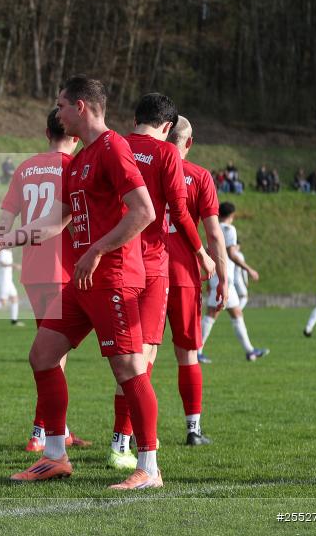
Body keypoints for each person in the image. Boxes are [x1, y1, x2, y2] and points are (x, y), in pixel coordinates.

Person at [0, 76, 161, 489]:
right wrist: (1, 241)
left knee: (129, 368)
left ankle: (149, 468)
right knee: (43, 354)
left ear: (82, 108)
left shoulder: (113, 148)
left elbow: (143, 212)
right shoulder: (80, 161)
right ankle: (55, 456)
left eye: (61, 106)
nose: (57, 114)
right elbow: (54, 223)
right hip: (83, 281)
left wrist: (96, 251)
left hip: (114, 278)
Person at [109, 94, 215, 470]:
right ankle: (143, 445)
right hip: (160, 266)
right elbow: (184, 214)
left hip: (116, 262)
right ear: (176, 135)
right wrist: (203, 253)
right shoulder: (188, 168)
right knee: (153, 356)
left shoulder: (113, 145)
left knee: (124, 356)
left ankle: (117, 439)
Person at [0, 107, 90, 453]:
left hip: (33, 271)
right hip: (64, 270)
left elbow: (3, 223)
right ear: (74, 135)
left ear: (45, 132)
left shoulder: (25, 168)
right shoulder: (75, 168)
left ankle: (61, 430)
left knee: (52, 354)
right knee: (54, 357)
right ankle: (41, 433)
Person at [166, 116, 229, 444]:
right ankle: (193, 429)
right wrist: (223, 275)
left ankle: (127, 436)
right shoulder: (199, 176)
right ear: (188, 142)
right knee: (187, 354)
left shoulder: (142, 169)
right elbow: (214, 234)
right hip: (184, 276)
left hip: (143, 273)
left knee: (140, 357)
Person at [200, 202, 269, 361]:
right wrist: (248, 268)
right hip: (225, 278)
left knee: (234, 313)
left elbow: (209, 250)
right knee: (213, 314)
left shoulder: (213, 226)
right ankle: (197, 350)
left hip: (216, 275)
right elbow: (231, 253)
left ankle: (250, 350)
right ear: (232, 215)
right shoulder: (230, 230)